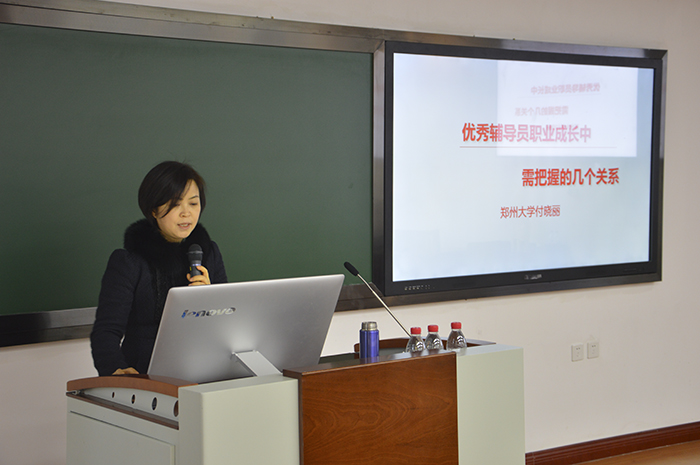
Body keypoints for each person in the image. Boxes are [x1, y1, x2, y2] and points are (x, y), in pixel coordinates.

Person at [90, 161, 227, 376]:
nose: (186, 213)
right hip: (147, 375)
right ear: (154, 210)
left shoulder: (208, 254)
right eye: (175, 204)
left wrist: (210, 300)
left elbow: (227, 325)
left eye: (193, 203)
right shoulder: (129, 262)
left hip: (204, 372)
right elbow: (106, 331)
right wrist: (116, 368)